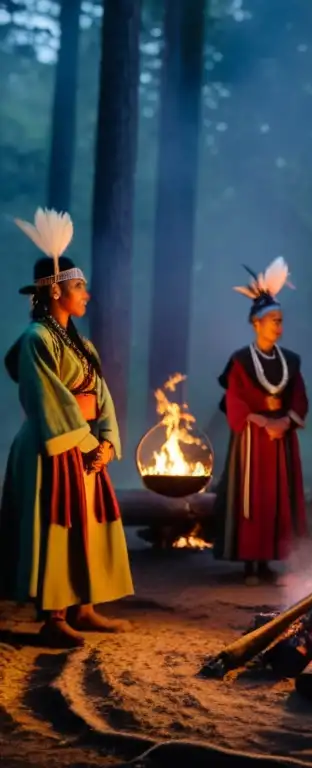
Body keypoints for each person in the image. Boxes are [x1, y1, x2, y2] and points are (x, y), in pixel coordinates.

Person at [0, 208, 133, 648]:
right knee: (55, 524)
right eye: (80, 287)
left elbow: (103, 395)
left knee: (87, 524)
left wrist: (108, 441)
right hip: (51, 447)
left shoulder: (82, 343)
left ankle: (84, 607)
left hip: (85, 447)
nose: (87, 295)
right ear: (55, 291)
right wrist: (89, 441)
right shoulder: (37, 339)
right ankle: (53, 615)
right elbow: (48, 399)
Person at [212, 257, 308, 586]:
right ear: (256, 322)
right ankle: (250, 562)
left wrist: (285, 422)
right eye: (272, 321)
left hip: (280, 439)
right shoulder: (240, 360)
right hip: (252, 441)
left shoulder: (290, 361)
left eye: (281, 321)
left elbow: (298, 398)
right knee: (251, 500)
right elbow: (234, 398)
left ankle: (269, 562)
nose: (278, 326)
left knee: (276, 500)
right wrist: (255, 419)